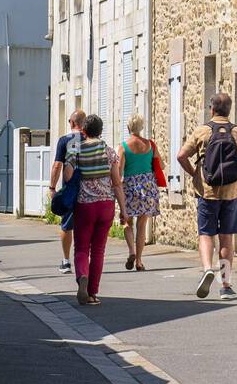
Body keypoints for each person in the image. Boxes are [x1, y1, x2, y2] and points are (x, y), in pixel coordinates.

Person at [176, 92, 237, 301]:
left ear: (211, 109)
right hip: (233, 191)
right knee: (226, 237)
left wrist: (194, 173)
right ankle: (226, 285)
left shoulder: (202, 131)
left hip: (207, 191)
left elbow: (181, 156)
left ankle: (207, 268)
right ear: (229, 110)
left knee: (206, 233)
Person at [64, 114, 128, 305]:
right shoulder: (109, 152)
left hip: (84, 206)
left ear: (83, 131)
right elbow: (117, 184)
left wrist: (71, 154)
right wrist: (123, 210)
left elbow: (67, 177)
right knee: (98, 250)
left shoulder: (78, 149)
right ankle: (92, 293)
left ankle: (82, 276)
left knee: (82, 248)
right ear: (101, 131)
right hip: (106, 205)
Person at [118, 115, 163, 271]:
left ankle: (131, 251)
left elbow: (119, 171)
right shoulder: (150, 145)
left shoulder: (123, 146)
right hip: (148, 185)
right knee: (142, 224)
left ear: (128, 127)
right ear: (141, 127)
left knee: (126, 221)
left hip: (130, 185)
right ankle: (139, 261)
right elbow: (161, 165)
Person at [49, 109, 86, 273]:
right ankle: (85, 261)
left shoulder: (65, 141)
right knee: (86, 227)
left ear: (71, 122)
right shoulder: (91, 140)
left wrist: (52, 187)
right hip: (89, 190)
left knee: (66, 225)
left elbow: (57, 166)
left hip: (70, 189)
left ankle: (66, 261)